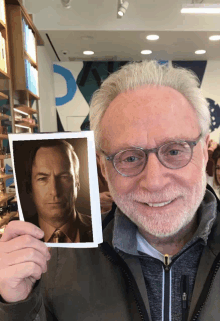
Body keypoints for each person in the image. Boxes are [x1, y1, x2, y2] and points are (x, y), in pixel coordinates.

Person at [0, 60, 219, 321]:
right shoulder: (52, 263)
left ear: (205, 153)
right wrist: (14, 306)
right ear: (103, 169)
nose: (154, 181)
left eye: (174, 151)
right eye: (129, 158)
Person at [23, 139, 93, 243]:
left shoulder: (102, 228)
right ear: (30, 187)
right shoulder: (16, 236)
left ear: (77, 182)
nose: (55, 191)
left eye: (64, 177)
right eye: (42, 179)